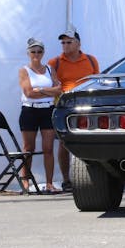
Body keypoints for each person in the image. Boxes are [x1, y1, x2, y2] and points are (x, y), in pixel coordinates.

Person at [48, 28, 100, 191]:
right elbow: (53, 85)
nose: (65, 45)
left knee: (93, 140)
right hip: (66, 107)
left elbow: (97, 82)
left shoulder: (91, 60)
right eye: (63, 42)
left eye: (69, 42)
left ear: (78, 44)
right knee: (64, 143)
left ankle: (97, 177)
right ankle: (66, 180)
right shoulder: (54, 63)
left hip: (88, 106)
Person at [19, 38, 62, 193]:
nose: (36, 54)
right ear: (28, 53)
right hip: (30, 110)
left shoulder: (50, 69)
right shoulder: (24, 70)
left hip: (47, 110)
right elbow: (29, 93)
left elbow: (59, 90)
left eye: (39, 51)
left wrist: (41, 90)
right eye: (33, 51)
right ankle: (25, 182)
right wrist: (48, 91)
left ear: (43, 53)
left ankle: (49, 183)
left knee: (48, 148)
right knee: (28, 148)